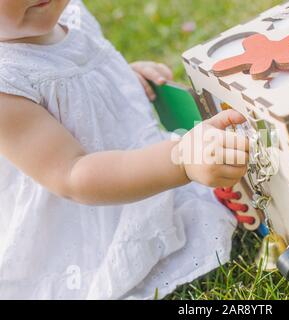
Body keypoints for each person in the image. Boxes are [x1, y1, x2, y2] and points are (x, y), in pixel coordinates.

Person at [0, 0, 249, 299]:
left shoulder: (69, 15)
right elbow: (72, 173)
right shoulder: (5, 85)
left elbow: (71, 84)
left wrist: (120, 79)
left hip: (132, 166)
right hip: (92, 214)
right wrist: (180, 160)